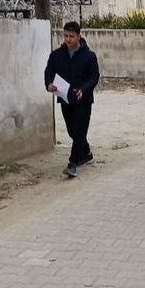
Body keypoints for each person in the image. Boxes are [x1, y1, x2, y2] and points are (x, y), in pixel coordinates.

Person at [44, 21, 100, 178]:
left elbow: (94, 76)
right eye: (66, 36)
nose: (68, 39)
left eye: (72, 36)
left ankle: (73, 163)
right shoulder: (56, 55)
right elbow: (48, 72)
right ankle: (86, 153)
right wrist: (48, 84)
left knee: (80, 131)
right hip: (65, 99)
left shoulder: (89, 56)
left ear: (79, 36)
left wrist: (85, 89)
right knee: (73, 132)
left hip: (83, 100)